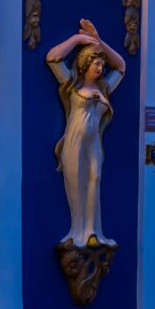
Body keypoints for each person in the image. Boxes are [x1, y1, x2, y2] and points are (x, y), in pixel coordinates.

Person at [45, 20, 127, 247]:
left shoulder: (104, 89)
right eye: (96, 64)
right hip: (74, 141)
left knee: (95, 180)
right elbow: (53, 58)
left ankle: (93, 232)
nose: (101, 68)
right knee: (75, 183)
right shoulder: (71, 84)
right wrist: (77, 40)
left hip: (93, 144)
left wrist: (99, 42)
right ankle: (77, 232)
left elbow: (121, 67)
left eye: (102, 64)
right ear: (84, 65)